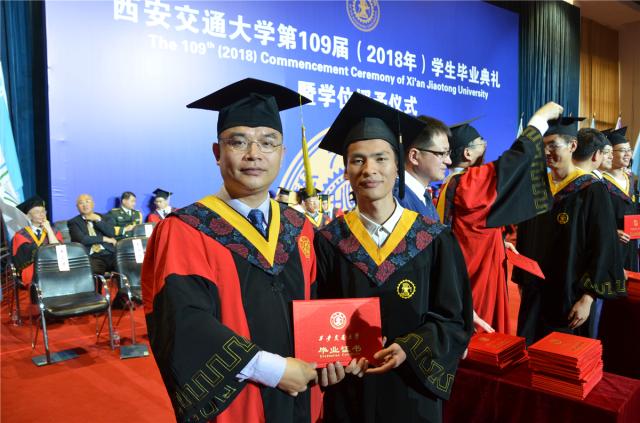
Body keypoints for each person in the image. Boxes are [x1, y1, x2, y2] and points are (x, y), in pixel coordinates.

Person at [141, 78, 353, 423]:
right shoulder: (186, 230)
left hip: (303, 395)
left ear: (282, 153)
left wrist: (335, 355)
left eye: (268, 143)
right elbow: (183, 324)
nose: (254, 154)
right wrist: (274, 370)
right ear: (217, 152)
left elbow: (319, 304)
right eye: (238, 142)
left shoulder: (299, 227)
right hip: (238, 405)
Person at [314, 92, 473, 423]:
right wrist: (327, 360)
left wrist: (410, 348)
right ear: (345, 171)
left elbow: (455, 320)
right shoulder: (329, 241)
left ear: (398, 166)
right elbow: (315, 319)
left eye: (381, 158)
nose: (369, 170)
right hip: (350, 394)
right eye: (357, 160)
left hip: (412, 393)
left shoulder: (433, 239)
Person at [435, 103, 562, 334]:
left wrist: (498, 241)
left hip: (467, 265)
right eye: (480, 142)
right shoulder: (468, 183)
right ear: (467, 153)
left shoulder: (449, 183)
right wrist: (539, 120)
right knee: (482, 338)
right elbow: (512, 163)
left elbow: (471, 227)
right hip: (475, 278)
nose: (485, 145)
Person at [513, 117, 626, 345]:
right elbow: (524, 237)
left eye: (553, 145)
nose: (546, 151)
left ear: (572, 145)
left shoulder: (591, 190)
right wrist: (522, 281)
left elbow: (604, 246)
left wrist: (588, 298)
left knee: (565, 358)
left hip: (570, 296)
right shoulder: (537, 188)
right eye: (543, 145)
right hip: (535, 294)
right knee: (531, 353)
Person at [395, 115, 452, 222]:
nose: (449, 161)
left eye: (448, 153)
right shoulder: (397, 200)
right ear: (414, 156)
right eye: (442, 153)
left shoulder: (423, 195)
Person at [601, 127, 639, 272]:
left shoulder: (630, 178)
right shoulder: (600, 182)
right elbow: (595, 217)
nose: (628, 154)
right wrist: (612, 231)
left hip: (631, 243)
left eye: (629, 150)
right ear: (610, 153)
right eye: (623, 150)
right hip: (611, 244)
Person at [11, 196, 63, 286]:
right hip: (32, 271)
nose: (41, 214)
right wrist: (46, 249)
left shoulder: (54, 231)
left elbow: (59, 252)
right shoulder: (21, 235)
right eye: (37, 212)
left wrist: (49, 230)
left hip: (53, 268)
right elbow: (23, 258)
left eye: (43, 211)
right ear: (28, 216)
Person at [67, 194, 117, 274]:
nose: (85, 205)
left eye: (87, 201)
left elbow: (111, 233)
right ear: (77, 207)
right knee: (95, 272)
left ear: (93, 204)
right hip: (92, 256)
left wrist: (98, 220)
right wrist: (104, 239)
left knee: (125, 267)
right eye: (81, 203)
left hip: (109, 253)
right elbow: (82, 239)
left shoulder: (104, 217)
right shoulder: (73, 222)